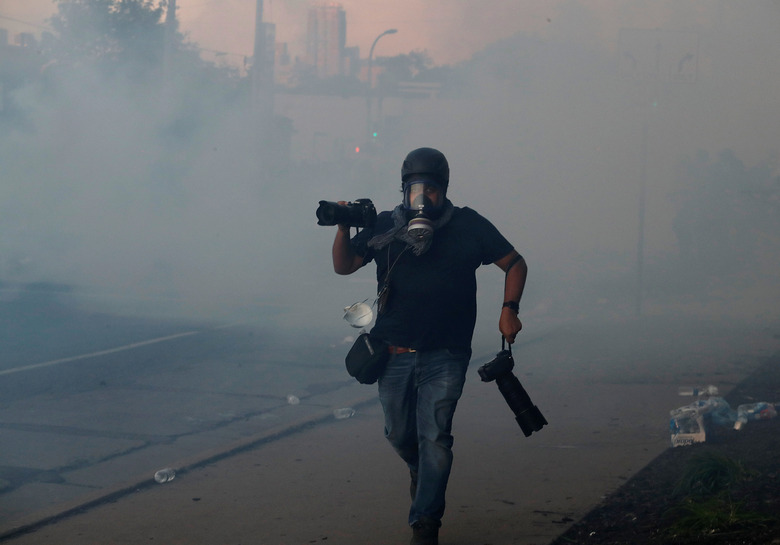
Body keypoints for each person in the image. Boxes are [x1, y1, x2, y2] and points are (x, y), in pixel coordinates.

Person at [330, 147, 527, 545]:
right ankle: (422, 475)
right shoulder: (386, 225)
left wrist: (509, 309)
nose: (423, 198)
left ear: (444, 190)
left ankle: (425, 523)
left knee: (435, 435)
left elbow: (515, 263)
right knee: (400, 435)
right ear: (404, 190)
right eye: (416, 189)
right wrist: (343, 225)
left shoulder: (468, 225)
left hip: (447, 353)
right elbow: (344, 265)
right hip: (393, 353)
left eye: (431, 190)